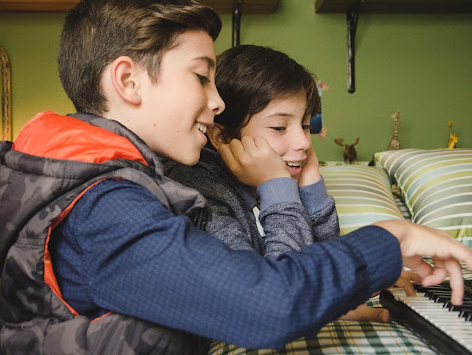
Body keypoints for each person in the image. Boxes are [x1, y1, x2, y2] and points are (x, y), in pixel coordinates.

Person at [0, 0, 472, 355]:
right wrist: (393, 237)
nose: (217, 102)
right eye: (201, 77)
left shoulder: (116, 184)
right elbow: (267, 306)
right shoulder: (102, 208)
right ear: (128, 82)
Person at [164, 45, 414, 324]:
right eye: (279, 127)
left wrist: (312, 187)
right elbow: (268, 300)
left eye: (305, 125)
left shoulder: (270, 181)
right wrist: (277, 185)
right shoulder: (197, 190)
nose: (304, 142)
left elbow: (318, 264)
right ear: (222, 137)